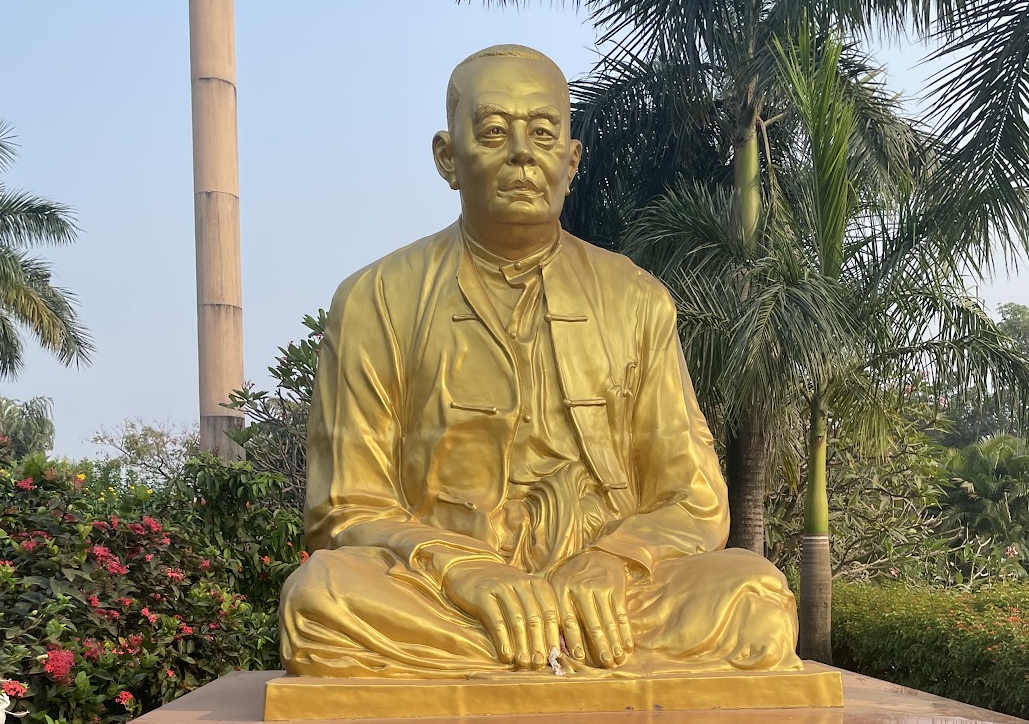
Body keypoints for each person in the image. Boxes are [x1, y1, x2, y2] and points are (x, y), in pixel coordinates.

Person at [279, 44, 800, 682]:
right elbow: (345, 510)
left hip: (610, 598)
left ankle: (547, 649)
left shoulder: (635, 300)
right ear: (448, 157)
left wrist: (613, 560)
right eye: (494, 131)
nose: (522, 152)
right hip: (447, 595)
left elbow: (693, 501)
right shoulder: (375, 299)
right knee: (320, 601)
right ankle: (546, 653)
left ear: (570, 160)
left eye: (544, 133)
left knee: (756, 600)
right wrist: (462, 570)